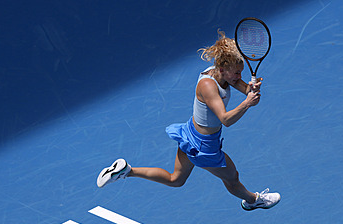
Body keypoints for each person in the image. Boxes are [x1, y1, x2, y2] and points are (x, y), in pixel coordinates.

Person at [96, 30, 280, 211]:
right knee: (232, 178)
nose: (239, 77)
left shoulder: (219, 73)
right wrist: (247, 104)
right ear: (222, 69)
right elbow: (225, 119)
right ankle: (254, 200)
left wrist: (251, 89)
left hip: (191, 133)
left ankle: (127, 170)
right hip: (204, 146)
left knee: (175, 179)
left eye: (240, 72)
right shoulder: (208, 86)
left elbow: (242, 87)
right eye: (237, 73)